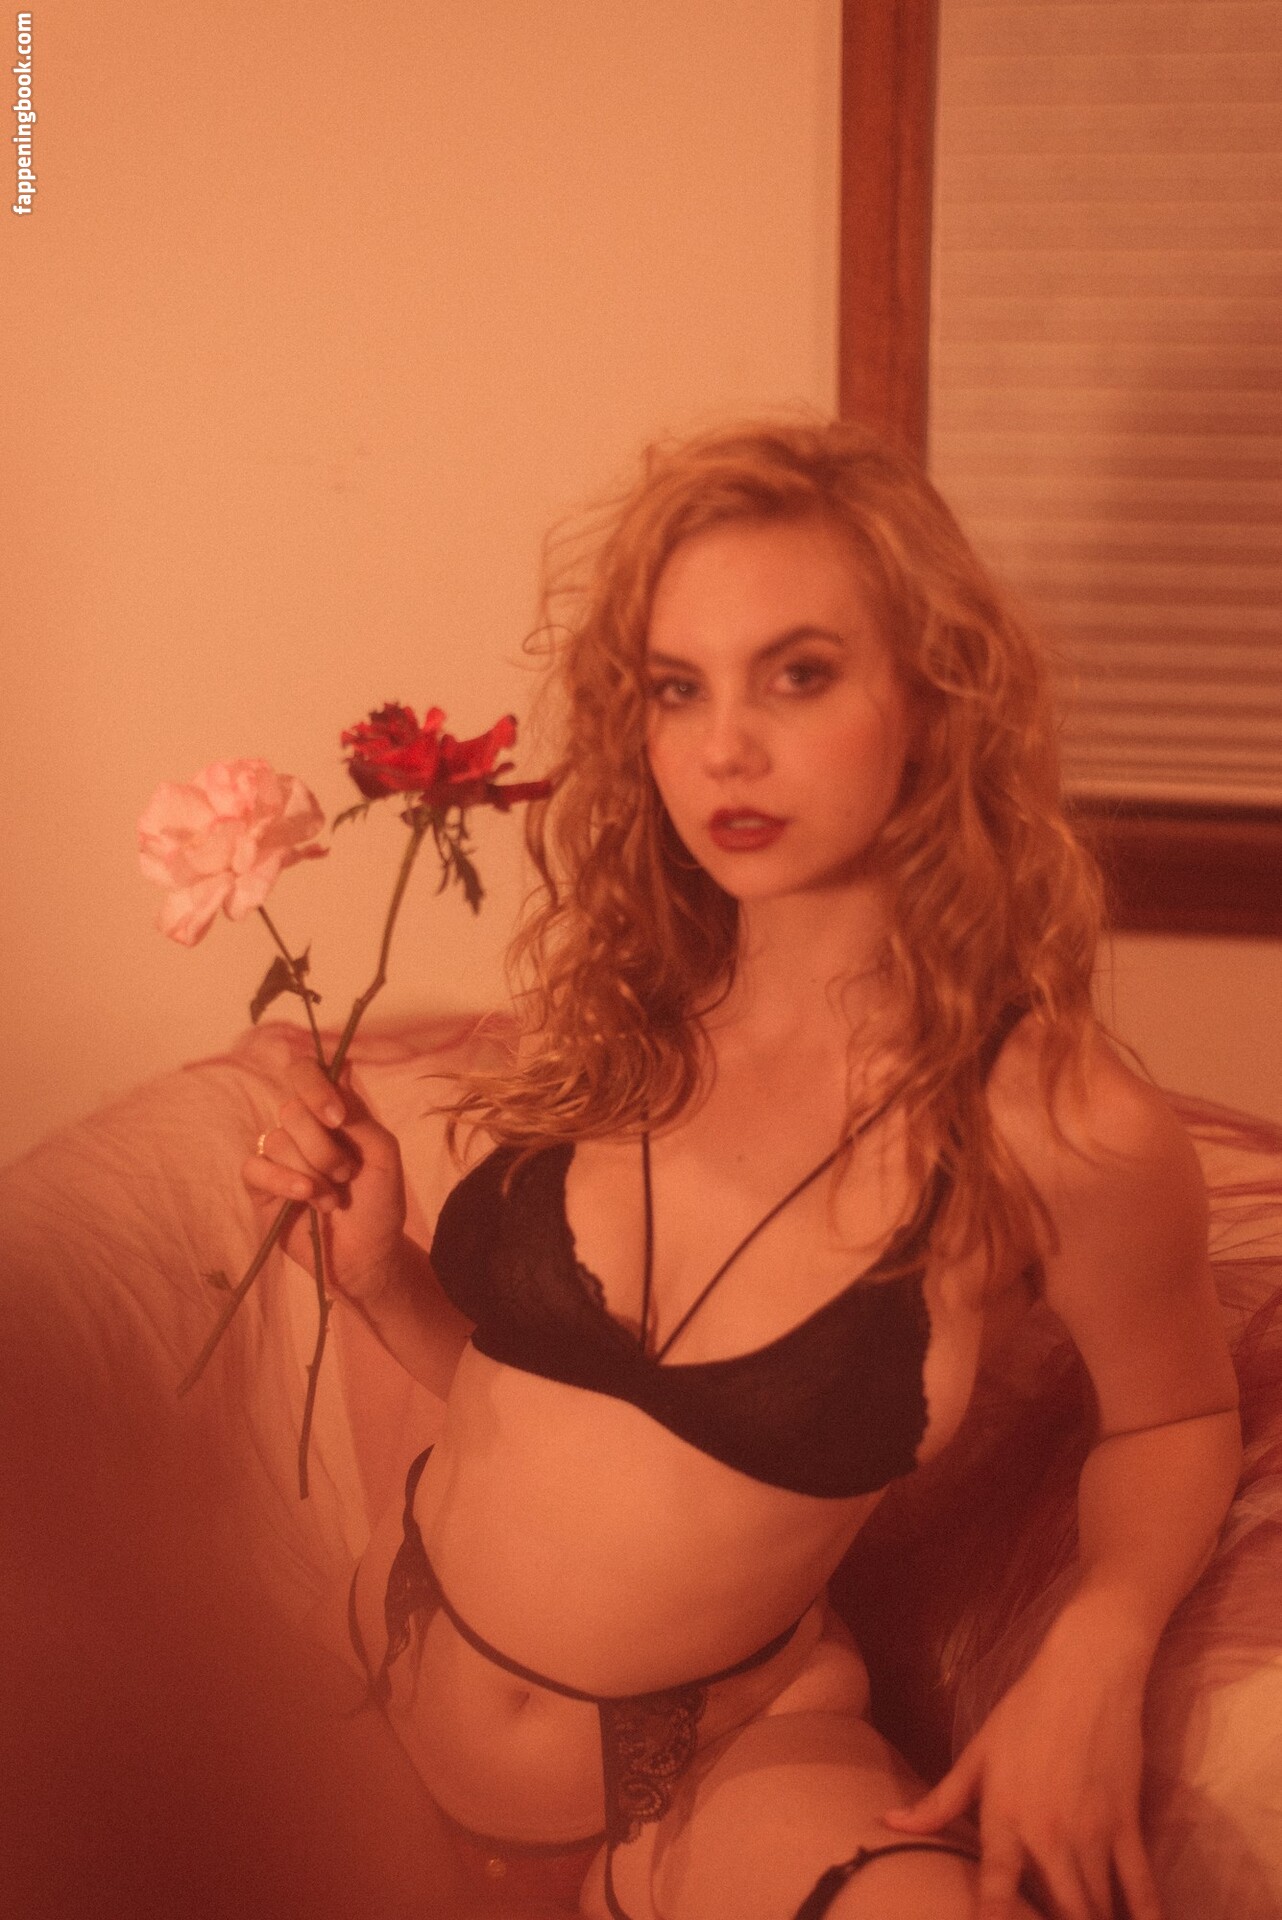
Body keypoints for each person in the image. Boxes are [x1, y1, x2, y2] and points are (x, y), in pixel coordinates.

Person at [244, 419, 1243, 1920]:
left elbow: (1174, 1414)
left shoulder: (1057, 1119)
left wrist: (1095, 1650)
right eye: (677, 688)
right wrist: (379, 1274)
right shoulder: (619, 1008)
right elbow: (571, 1435)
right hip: (376, 1685)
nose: (724, 748)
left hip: (715, 1776)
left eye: (798, 675)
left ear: (932, 701)